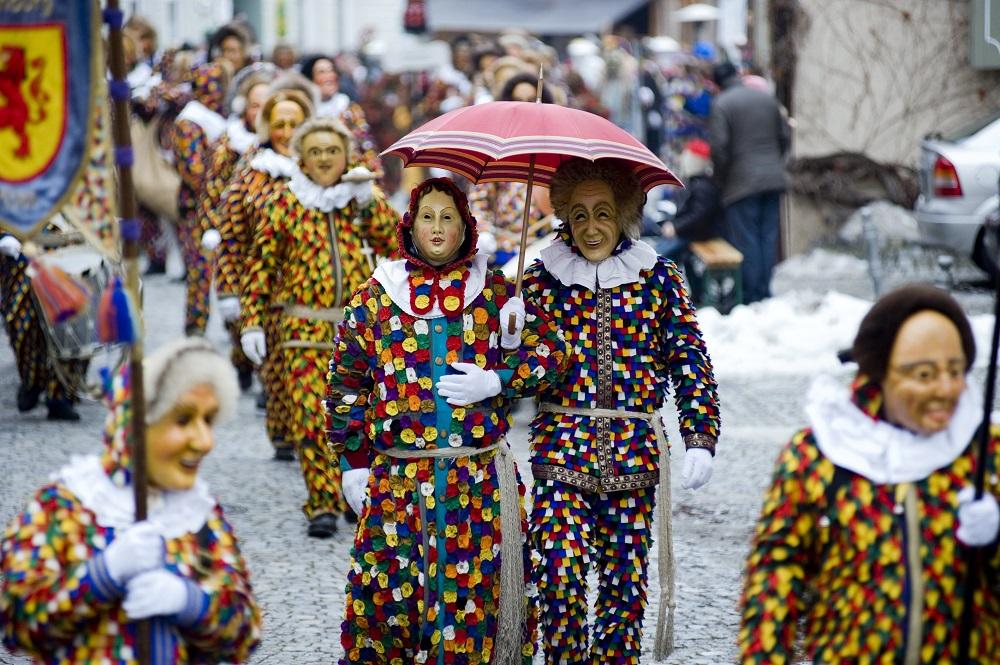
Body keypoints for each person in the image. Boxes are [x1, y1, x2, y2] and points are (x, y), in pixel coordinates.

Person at [326, 177, 570, 663]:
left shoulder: (496, 293)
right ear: (410, 225)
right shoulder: (377, 296)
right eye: (427, 216)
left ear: (465, 227)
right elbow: (346, 383)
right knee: (389, 602)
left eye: (448, 217)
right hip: (398, 482)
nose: (437, 227)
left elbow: (554, 356)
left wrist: (501, 374)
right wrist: (353, 461)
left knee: (472, 603)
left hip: (475, 481)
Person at [522, 158, 721, 664]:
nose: (591, 227)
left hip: (633, 459)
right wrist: (507, 328)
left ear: (625, 215)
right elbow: (518, 370)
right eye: (581, 214)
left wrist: (699, 437)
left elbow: (689, 360)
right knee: (558, 575)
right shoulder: (542, 280)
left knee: (623, 590)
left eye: (604, 213)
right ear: (565, 216)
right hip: (560, 454)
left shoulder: (658, 279)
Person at [739, 284, 1000, 663]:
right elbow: (776, 575)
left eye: (956, 370)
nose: (946, 388)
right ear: (880, 372)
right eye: (925, 374)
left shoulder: (985, 452)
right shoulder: (820, 456)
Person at [0, 338, 262, 662]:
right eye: (182, 420)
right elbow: (17, 622)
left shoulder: (199, 515)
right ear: (134, 425)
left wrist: (191, 602)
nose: (204, 441)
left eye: (208, 420)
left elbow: (245, 633)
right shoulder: (63, 508)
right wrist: (101, 575)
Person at [240, 117, 399, 538]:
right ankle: (322, 502)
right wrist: (251, 322)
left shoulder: (361, 198)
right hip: (302, 329)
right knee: (312, 418)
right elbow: (260, 266)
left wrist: (370, 203)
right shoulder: (284, 202)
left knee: (361, 417)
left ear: (346, 155)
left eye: (332, 150)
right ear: (302, 159)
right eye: (316, 152)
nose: (325, 159)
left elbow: (398, 246)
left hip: (358, 332)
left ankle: (356, 494)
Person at [213, 85, 313, 462]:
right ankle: (283, 434)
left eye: (294, 123)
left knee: (310, 373)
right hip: (264, 289)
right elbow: (233, 236)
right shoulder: (251, 170)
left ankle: (314, 441)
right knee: (274, 372)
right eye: (279, 123)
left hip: (311, 293)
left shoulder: (320, 165)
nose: (286, 132)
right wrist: (228, 290)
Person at [198, 66, 275, 390]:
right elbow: (212, 190)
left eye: (267, 105)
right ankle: (242, 358)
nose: (260, 112)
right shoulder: (229, 143)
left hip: (269, 239)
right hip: (237, 235)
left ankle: (268, 375)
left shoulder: (283, 143)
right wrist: (213, 227)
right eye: (255, 105)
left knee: (268, 305)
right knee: (238, 308)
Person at [707, 61, 790, 305]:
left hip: (741, 182)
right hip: (773, 178)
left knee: (747, 239)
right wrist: (776, 161)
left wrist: (722, 179)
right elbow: (784, 136)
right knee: (768, 236)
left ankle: (752, 295)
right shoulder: (765, 98)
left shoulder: (721, 104)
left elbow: (719, 149)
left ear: (716, 84)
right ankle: (765, 291)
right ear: (738, 75)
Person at [171, 60, 231, 335]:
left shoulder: (222, 116)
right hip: (197, 209)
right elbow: (193, 173)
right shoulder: (190, 122)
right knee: (200, 270)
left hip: (224, 206)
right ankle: (195, 328)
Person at [0, 233, 88, 421]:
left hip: (69, 251)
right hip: (21, 253)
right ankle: (32, 378)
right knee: (21, 323)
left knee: (71, 323)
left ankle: (60, 395)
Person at [643, 138, 723, 261]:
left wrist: (676, 227)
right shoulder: (697, 183)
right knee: (657, 256)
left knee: (657, 258)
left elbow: (699, 216)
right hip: (689, 234)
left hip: (693, 235)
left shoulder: (702, 186)